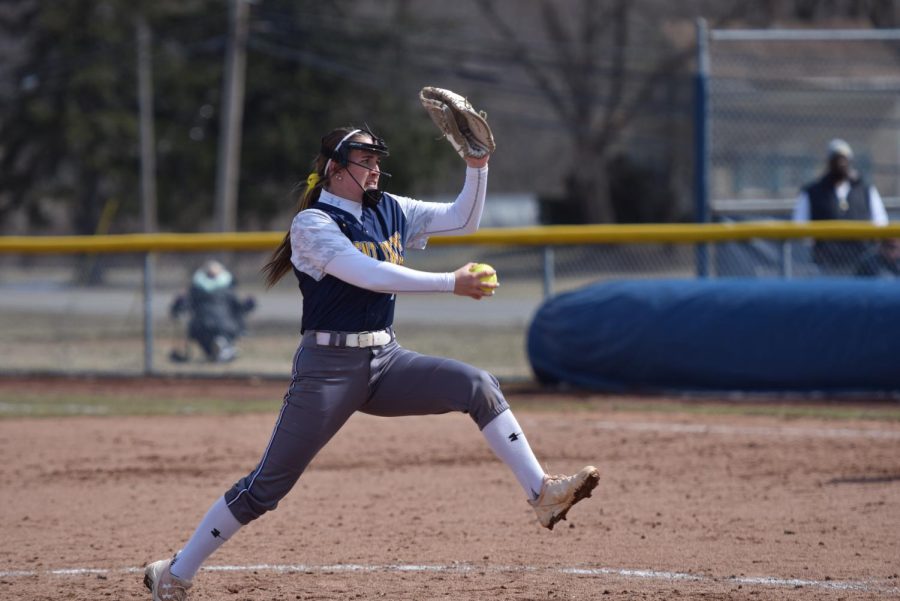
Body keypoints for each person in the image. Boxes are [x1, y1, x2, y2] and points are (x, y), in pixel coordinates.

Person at [143, 126, 600, 600]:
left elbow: (462, 219)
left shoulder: (390, 207)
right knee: (266, 488)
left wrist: (477, 165)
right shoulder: (314, 224)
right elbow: (368, 275)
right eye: (364, 160)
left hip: (386, 359)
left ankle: (542, 494)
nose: (376, 167)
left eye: (377, 158)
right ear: (335, 169)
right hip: (328, 369)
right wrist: (450, 282)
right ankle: (175, 574)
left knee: (478, 385)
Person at [792, 138, 888, 274]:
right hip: (826, 263)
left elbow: (880, 221)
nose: (841, 164)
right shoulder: (813, 192)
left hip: (862, 261)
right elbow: (799, 225)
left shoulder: (865, 190)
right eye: (836, 159)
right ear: (829, 162)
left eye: (844, 159)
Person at [169, 260, 256, 363]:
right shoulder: (228, 288)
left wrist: (178, 304)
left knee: (210, 346)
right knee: (223, 339)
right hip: (225, 325)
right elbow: (240, 307)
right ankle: (222, 348)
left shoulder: (196, 288)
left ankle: (220, 350)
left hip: (200, 326)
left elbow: (183, 306)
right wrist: (249, 303)